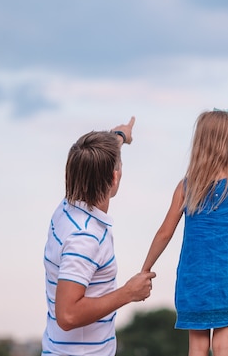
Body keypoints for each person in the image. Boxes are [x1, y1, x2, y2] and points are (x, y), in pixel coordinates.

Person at [141, 109, 228, 356]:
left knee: (197, 348)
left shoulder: (187, 187)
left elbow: (165, 232)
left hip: (194, 279)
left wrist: (146, 268)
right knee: (223, 347)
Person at [42, 117, 157, 356]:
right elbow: (68, 314)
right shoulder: (86, 237)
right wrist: (128, 292)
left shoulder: (66, 210)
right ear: (114, 178)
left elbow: (95, 156)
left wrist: (120, 136)